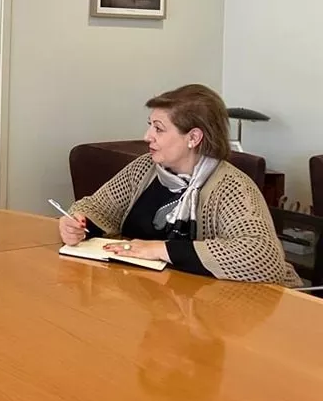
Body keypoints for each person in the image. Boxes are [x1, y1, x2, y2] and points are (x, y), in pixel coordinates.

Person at [58, 84, 301, 286]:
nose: (147, 136)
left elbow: (263, 257)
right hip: (155, 297)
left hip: (219, 310)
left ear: (193, 138)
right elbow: (98, 207)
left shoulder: (232, 187)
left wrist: (160, 249)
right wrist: (78, 222)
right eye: (150, 125)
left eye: (159, 129)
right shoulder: (145, 168)